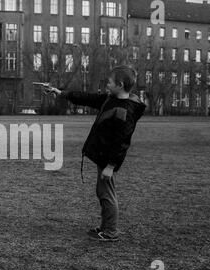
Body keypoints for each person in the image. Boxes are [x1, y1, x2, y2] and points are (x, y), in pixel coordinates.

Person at [43, 65, 147, 242]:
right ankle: (105, 228)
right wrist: (61, 93)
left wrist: (111, 166)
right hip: (102, 157)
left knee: (107, 193)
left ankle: (110, 232)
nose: (107, 85)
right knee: (102, 192)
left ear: (120, 85)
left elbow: (122, 142)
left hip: (108, 160)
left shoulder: (125, 110)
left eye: (110, 82)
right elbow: (88, 98)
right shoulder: (110, 99)